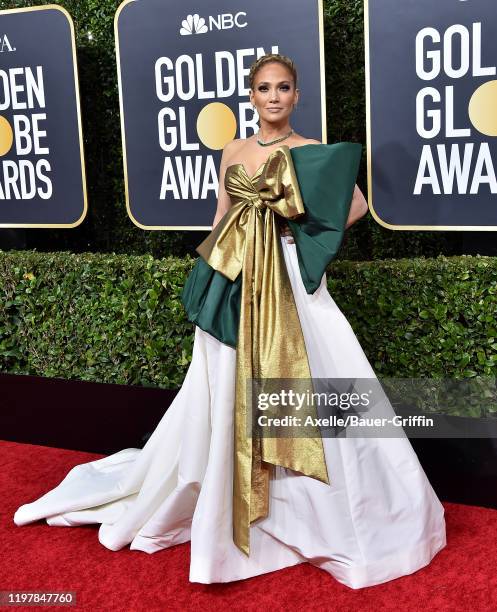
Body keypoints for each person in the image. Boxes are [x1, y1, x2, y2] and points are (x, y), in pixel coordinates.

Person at [13, 53, 446, 589]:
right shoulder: (233, 149)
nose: (273, 97)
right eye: (264, 88)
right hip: (237, 280)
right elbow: (221, 215)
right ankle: (233, 493)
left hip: (291, 281)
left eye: (283, 87)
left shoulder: (311, 152)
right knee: (227, 388)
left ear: (296, 95)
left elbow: (354, 204)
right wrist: (213, 274)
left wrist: (297, 231)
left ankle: (326, 513)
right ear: (251, 95)